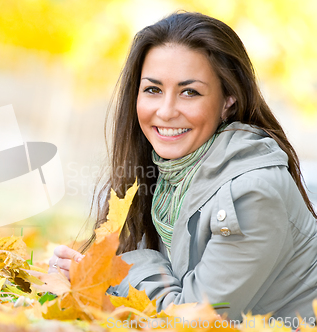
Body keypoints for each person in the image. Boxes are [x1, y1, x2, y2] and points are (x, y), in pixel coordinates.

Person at [48, 12, 317, 324]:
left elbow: (191, 320)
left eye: (190, 92)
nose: (165, 110)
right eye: (153, 89)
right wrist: (81, 274)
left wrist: (112, 271)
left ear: (228, 99)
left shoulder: (254, 192)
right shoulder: (169, 176)